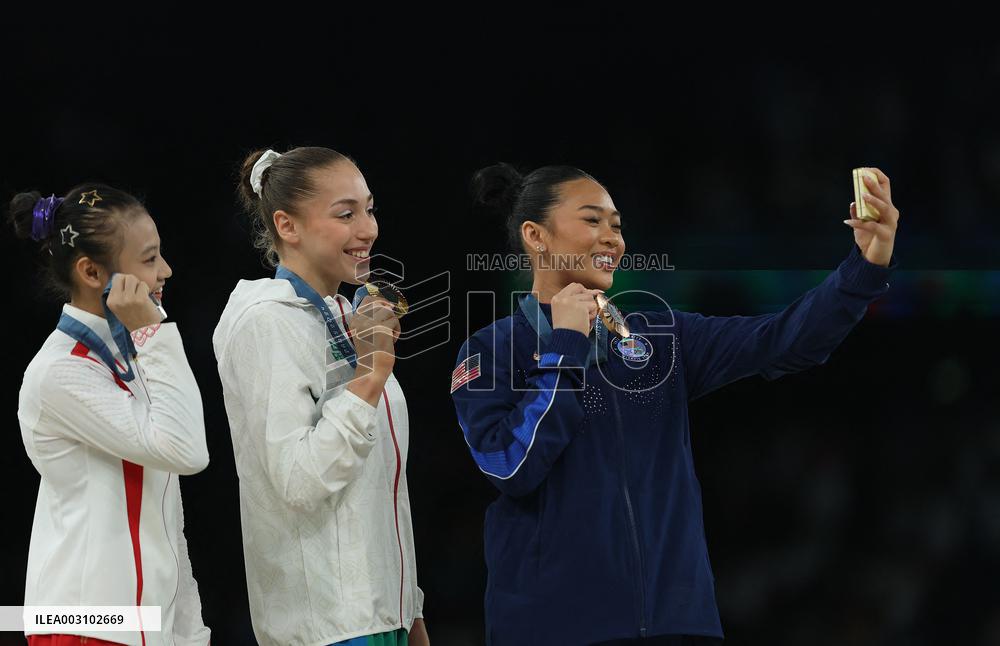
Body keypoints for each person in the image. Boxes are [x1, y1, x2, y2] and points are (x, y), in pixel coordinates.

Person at [450, 163, 899, 645]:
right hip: (555, 629)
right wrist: (564, 348)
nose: (612, 239)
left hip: (677, 624)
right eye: (592, 221)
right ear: (537, 236)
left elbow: (782, 340)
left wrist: (864, 268)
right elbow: (510, 467)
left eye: (617, 225)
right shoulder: (493, 350)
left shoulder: (659, 337)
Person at [214, 147, 429, 646]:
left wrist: (408, 605)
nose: (369, 229)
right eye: (346, 214)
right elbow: (299, 480)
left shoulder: (342, 314)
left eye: (369, 209)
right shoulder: (266, 321)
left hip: (381, 616)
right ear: (288, 226)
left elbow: (379, 480)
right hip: (327, 628)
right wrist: (371, 374)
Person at [10, 184, 212, 646]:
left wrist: (188, 631)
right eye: (148, 259)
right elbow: (188, 450)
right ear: (90, 271)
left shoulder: (133, 357)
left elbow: (165, 520)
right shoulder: (60, 373)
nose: (165, 271)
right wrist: (153, 332)